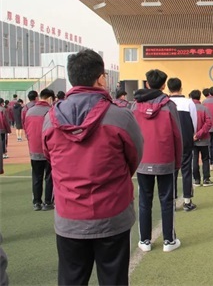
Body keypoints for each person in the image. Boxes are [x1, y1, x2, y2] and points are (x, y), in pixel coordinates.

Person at [42, 49, 143, 285]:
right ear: (100, 78)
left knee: (71, 279)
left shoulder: (51, 119)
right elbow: (134, 157)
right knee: (114, 279)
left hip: (70, 216)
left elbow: (50, 157)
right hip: (112, 213)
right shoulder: (120, 117)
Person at [132, 70, 181, 253]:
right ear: (163, 85)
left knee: (144, 200)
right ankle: (169, 240)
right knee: (167, 200)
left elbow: (131, 135)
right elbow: (177, 136)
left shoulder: (134, 106)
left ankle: (145, 240)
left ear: (147, 84)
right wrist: (177, 162)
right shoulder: (169, 106)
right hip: (165, 159)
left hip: (143, 160)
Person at [167, 77, 198, 212]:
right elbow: (194, 122)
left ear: (168, 88)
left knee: (171, 172)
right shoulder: (188, 102)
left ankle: (172, 202)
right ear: (181, 88)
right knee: (186, 170)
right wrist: (192, 135)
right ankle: (187, 201)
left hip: (169, 142)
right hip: (185, 140)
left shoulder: (165, 102)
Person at [25, 89, 55, 211]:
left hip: (34, 149)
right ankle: (48, 202)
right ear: (49, 98)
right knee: (49, 176)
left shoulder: (29, 112)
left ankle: (37, 202)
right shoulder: (51, 111)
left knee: (36, 176)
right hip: (48, 149)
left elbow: (27, 131)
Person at [190, 89, 213, 187]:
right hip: (203, 139)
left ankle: (196, 179)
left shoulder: (189, 109)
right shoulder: (204, 109)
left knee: (194, 159)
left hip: (192, 139)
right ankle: (206, 179)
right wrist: (199, 134)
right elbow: (208, 123)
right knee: (205, 159)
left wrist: (193, 135)